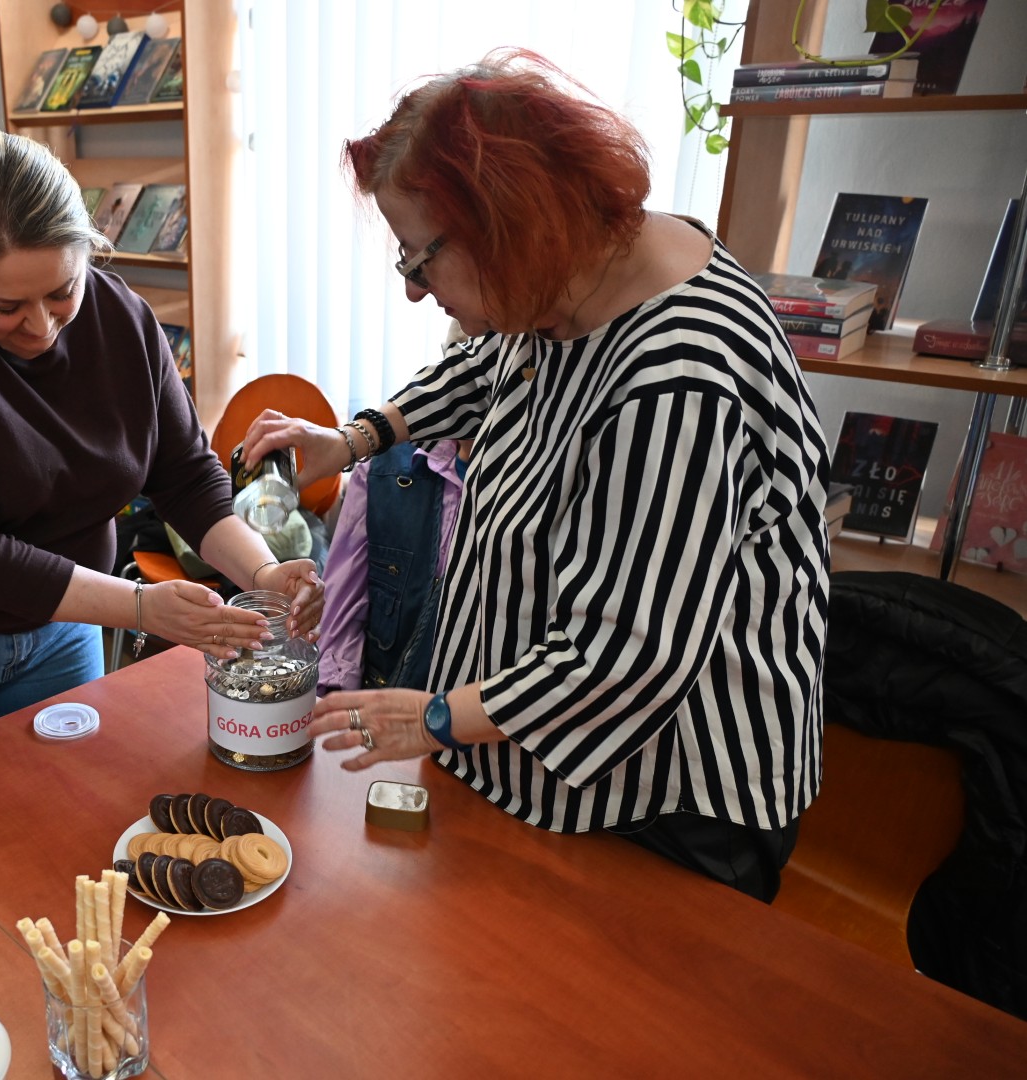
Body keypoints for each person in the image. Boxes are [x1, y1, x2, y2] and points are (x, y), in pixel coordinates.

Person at [244, 50, 830, 902]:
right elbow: (487, 365)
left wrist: (432, 714)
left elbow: (625, 656)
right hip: (524, 743)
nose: (414, 292)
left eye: (418, 261)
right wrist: (357, 437)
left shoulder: (677, 384)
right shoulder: (571, 269)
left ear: (503, 225)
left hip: (660, 797)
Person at [0, 131, 323, 771]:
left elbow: (185, 475)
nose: (41, 327)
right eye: (5, 306)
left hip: (64, 620)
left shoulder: (121, 317)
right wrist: (139, 607)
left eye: (63, 290)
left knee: (69, 797)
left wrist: (263, 574)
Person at [315, 436, 471, 695]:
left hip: (470, 711)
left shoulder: (526, 498)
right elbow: (341, 616)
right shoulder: (380, 470)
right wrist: (338, 701)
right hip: (374, 702)